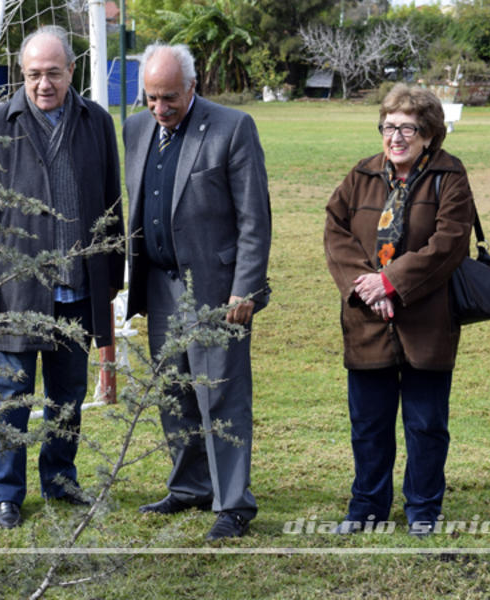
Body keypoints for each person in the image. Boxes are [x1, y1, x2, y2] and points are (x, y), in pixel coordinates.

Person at [0, 25, 124, 530]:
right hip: (14, 293)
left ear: (72, 72)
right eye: (33, 75)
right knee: (9, 398)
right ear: (22, 75)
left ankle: (60, 478)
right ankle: (5, 494)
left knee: (67, 397)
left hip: (77, 289)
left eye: (53, 73)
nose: (43, 84)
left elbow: (112, 204)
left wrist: (110, 279)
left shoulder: (96, 121)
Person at [123, 43, 271, 541]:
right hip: (160, 286)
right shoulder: (136, 128)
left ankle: (233, 504)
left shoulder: (232, 128)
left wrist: (245, 289)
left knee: (222, 397)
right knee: (174, 393)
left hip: (216, 290)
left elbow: (255, 217)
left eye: (169, 98)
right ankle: (190, 486)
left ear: (192, 87)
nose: (160, 109)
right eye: (151, 98)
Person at [324, 84, 474, 537]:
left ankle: (423, 510)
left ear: (429, 133)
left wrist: (393, 281)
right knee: (368, 423)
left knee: (426, 424)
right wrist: (370, 288)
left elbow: (449, 243)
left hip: (427, 321)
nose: (396, 137)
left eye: (408, 127)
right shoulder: (362, 174)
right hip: (367, 320)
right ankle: (367, 507)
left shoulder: (450, 175)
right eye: (389, 126)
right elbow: (336, 232)